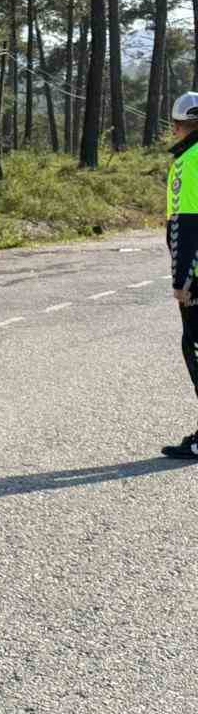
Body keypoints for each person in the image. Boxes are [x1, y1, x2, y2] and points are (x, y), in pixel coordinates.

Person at [164, 94, 198, 460]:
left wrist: (182, 281)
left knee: (195, 347)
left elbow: (187, 225)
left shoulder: (189, 162)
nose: (172, 129)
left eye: (176, 123)